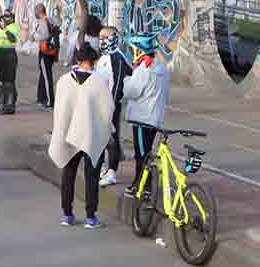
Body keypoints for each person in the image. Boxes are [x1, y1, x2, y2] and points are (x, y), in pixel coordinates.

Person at [49, 44, 114, 228]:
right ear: (93, 62)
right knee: (91, 176)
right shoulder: (99, 82)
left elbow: (60, 110)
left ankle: (67, 214)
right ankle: (90, 217)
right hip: (91, 135)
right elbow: (108, 109)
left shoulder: (63, 81)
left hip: (69, 133)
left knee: (68, 173)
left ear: (77, 60)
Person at [121, 35, 170, 196]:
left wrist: (127, 79)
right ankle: (144, 184)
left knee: (141, 154)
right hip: (154, 117)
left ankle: (142, 185)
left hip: (142, 118)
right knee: (146, 151)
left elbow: (131, 91)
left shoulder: (143, 70)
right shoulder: (161, 68)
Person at [94, 25, 132, 187]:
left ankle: (111, 171)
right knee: (100, 138)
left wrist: (111, 105)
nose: (101, 40)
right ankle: (102, 168)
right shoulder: (103, 57)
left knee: (112, 139)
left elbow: (117, 86)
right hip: (100, 105)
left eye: (105, 37)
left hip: (110, 106)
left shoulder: (117, 58)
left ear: (114, 38)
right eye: (100, 37)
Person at [31, 3, 59, 109]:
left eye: (35, 11)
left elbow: (45, 35)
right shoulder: (51, 19)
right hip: (51, 51)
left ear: (39, 11)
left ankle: (49, 101)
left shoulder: (43, 21)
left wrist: (34, 35)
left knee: (46, 76)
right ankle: (41, 98)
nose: (34, 13)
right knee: (44, 74)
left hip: (45, 51)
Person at [0, 11, 20, 114]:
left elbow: (12, 39)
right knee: (2, 81)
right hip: (0, 53)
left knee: (9, 81)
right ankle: (2, 104)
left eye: (7, 17)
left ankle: (10, 105)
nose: (4, 18)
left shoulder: (13, 27)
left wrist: (4, 28)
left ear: (12, 18)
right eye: (4, 16)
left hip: (9, 54)